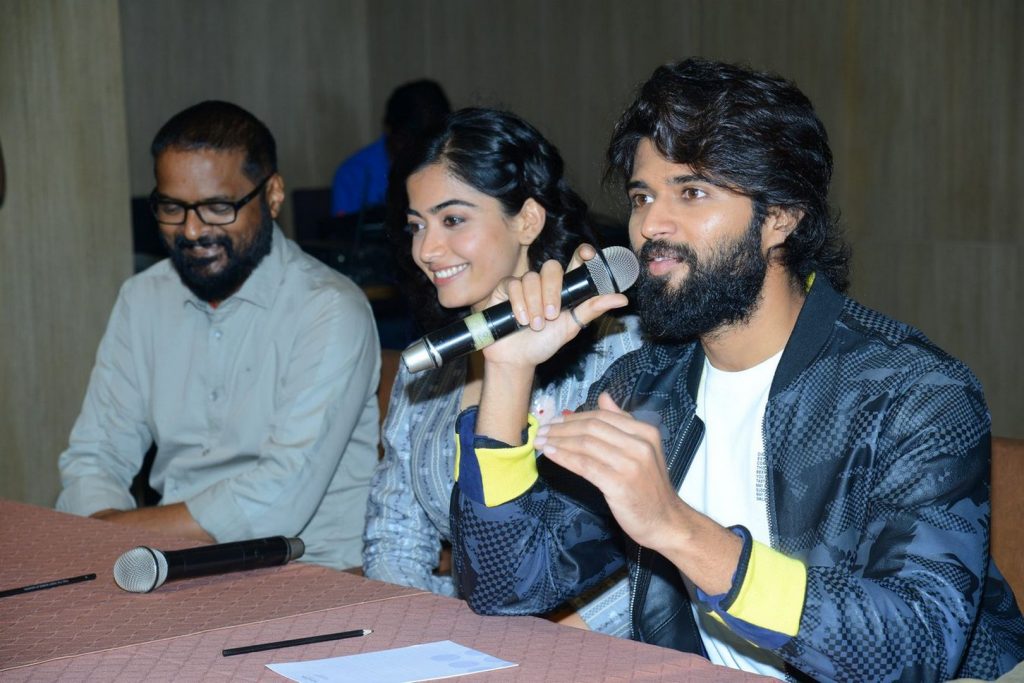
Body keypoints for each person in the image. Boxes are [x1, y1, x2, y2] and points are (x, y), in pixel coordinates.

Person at [449, 59, 1024, 680]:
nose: (651, 225)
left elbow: (918, 647)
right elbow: (506, 583)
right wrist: (507, 371)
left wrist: (677, 528)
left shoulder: (915, 393)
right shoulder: (644, 386)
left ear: (781, 217)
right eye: (643, 197)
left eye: (692, 192)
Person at [57, 101, 381, 571]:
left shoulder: (329, 308)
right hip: (161, 566)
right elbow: (95, 454)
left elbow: (276, 503)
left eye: (217, 207)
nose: (192, 230)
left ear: (272, 195)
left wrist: (112, 534)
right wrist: (102, 532)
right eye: (172, 207)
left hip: (311, 577)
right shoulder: (143, 298)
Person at [363, 107, 642, 635]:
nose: (427, 250)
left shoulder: (618, 349)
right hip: (470, 630)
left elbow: (646, 555)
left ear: (527, 220)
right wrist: (413, 634)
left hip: (589, 641)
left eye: (453, 220)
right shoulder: (432, 364)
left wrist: (543, 641)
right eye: (417, 226)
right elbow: (395, 536)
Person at [331, 79, 450, 217]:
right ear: (389, 130)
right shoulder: (354, 174)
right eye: (407, 141)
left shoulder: (453, 166)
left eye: (428, 143)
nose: (415, 152)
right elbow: (343, 228)